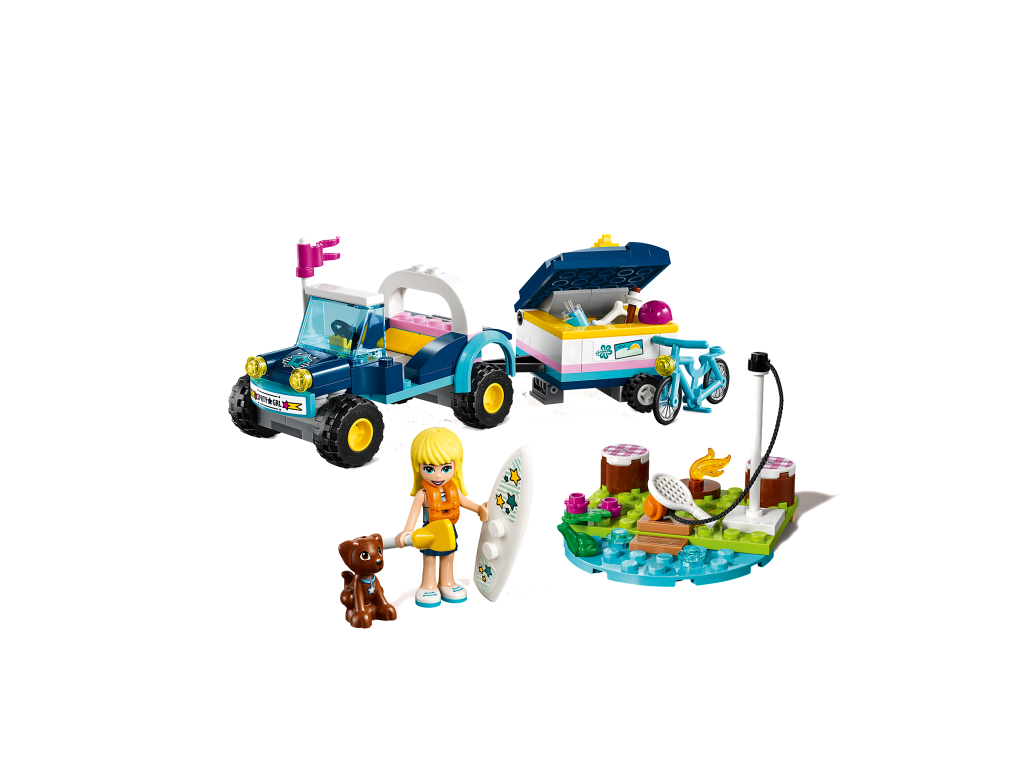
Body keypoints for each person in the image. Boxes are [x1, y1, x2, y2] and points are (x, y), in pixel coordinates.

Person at [396, 427, 488, 608]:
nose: (438, 475)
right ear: (418, 467)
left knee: (449, 556)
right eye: (429, 469)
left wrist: (479, 510)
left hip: (449, 530)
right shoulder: (423, 494)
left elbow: (465, 502)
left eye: (445, 468)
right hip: (430, 530)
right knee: (429, 558)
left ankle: (447, 582)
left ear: (455, 466)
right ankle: (428, 585)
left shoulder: (453, 491)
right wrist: (407, 531)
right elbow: (414, 514)